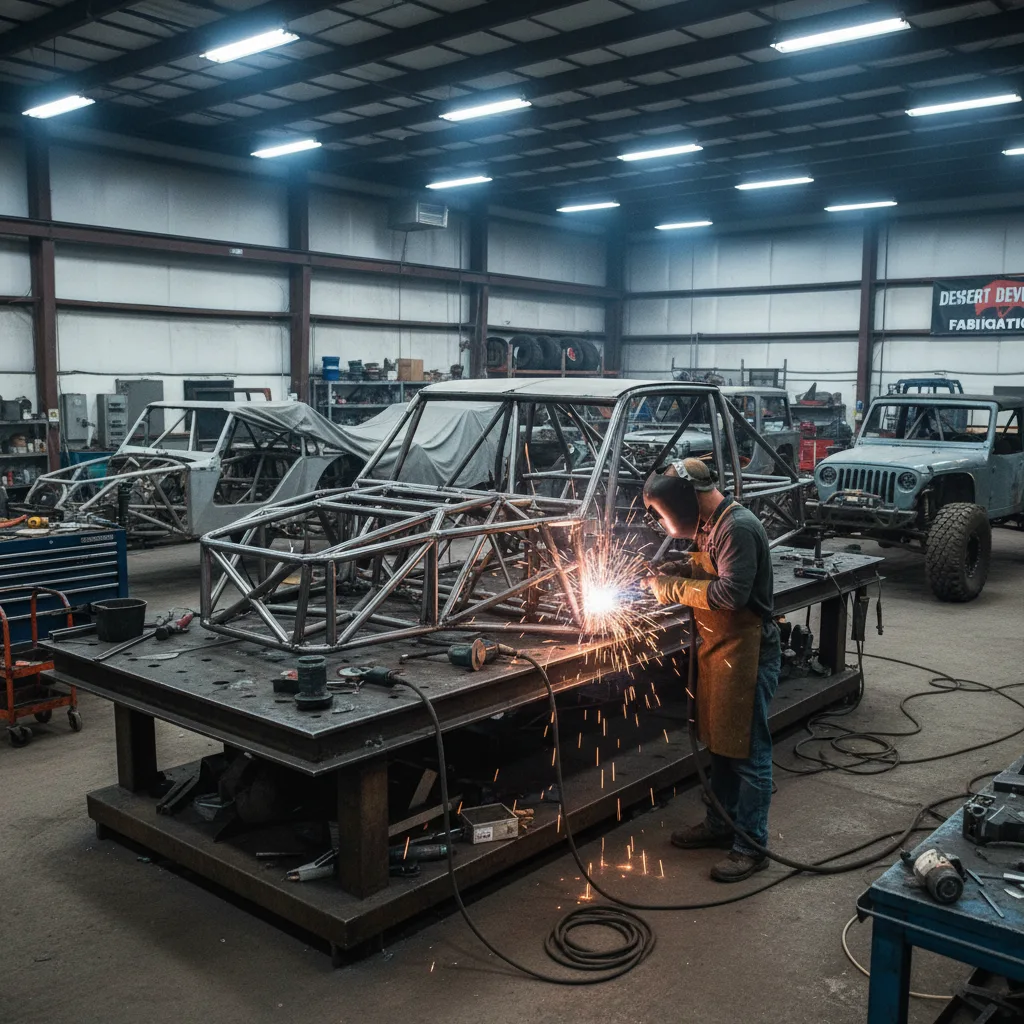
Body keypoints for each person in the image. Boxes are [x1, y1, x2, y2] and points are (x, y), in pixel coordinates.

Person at [640, 458, 781, 883]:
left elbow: (731, 592)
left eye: (664, 513)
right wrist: (679, 568)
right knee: (721, 744)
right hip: (722, 648)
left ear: (686, 500)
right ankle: (720, 824)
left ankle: (751, 845)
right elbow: (712, 569)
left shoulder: (736, 527)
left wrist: (671, 587)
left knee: (749, 753)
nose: (665, 522)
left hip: (749, 649)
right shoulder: (710, 524)